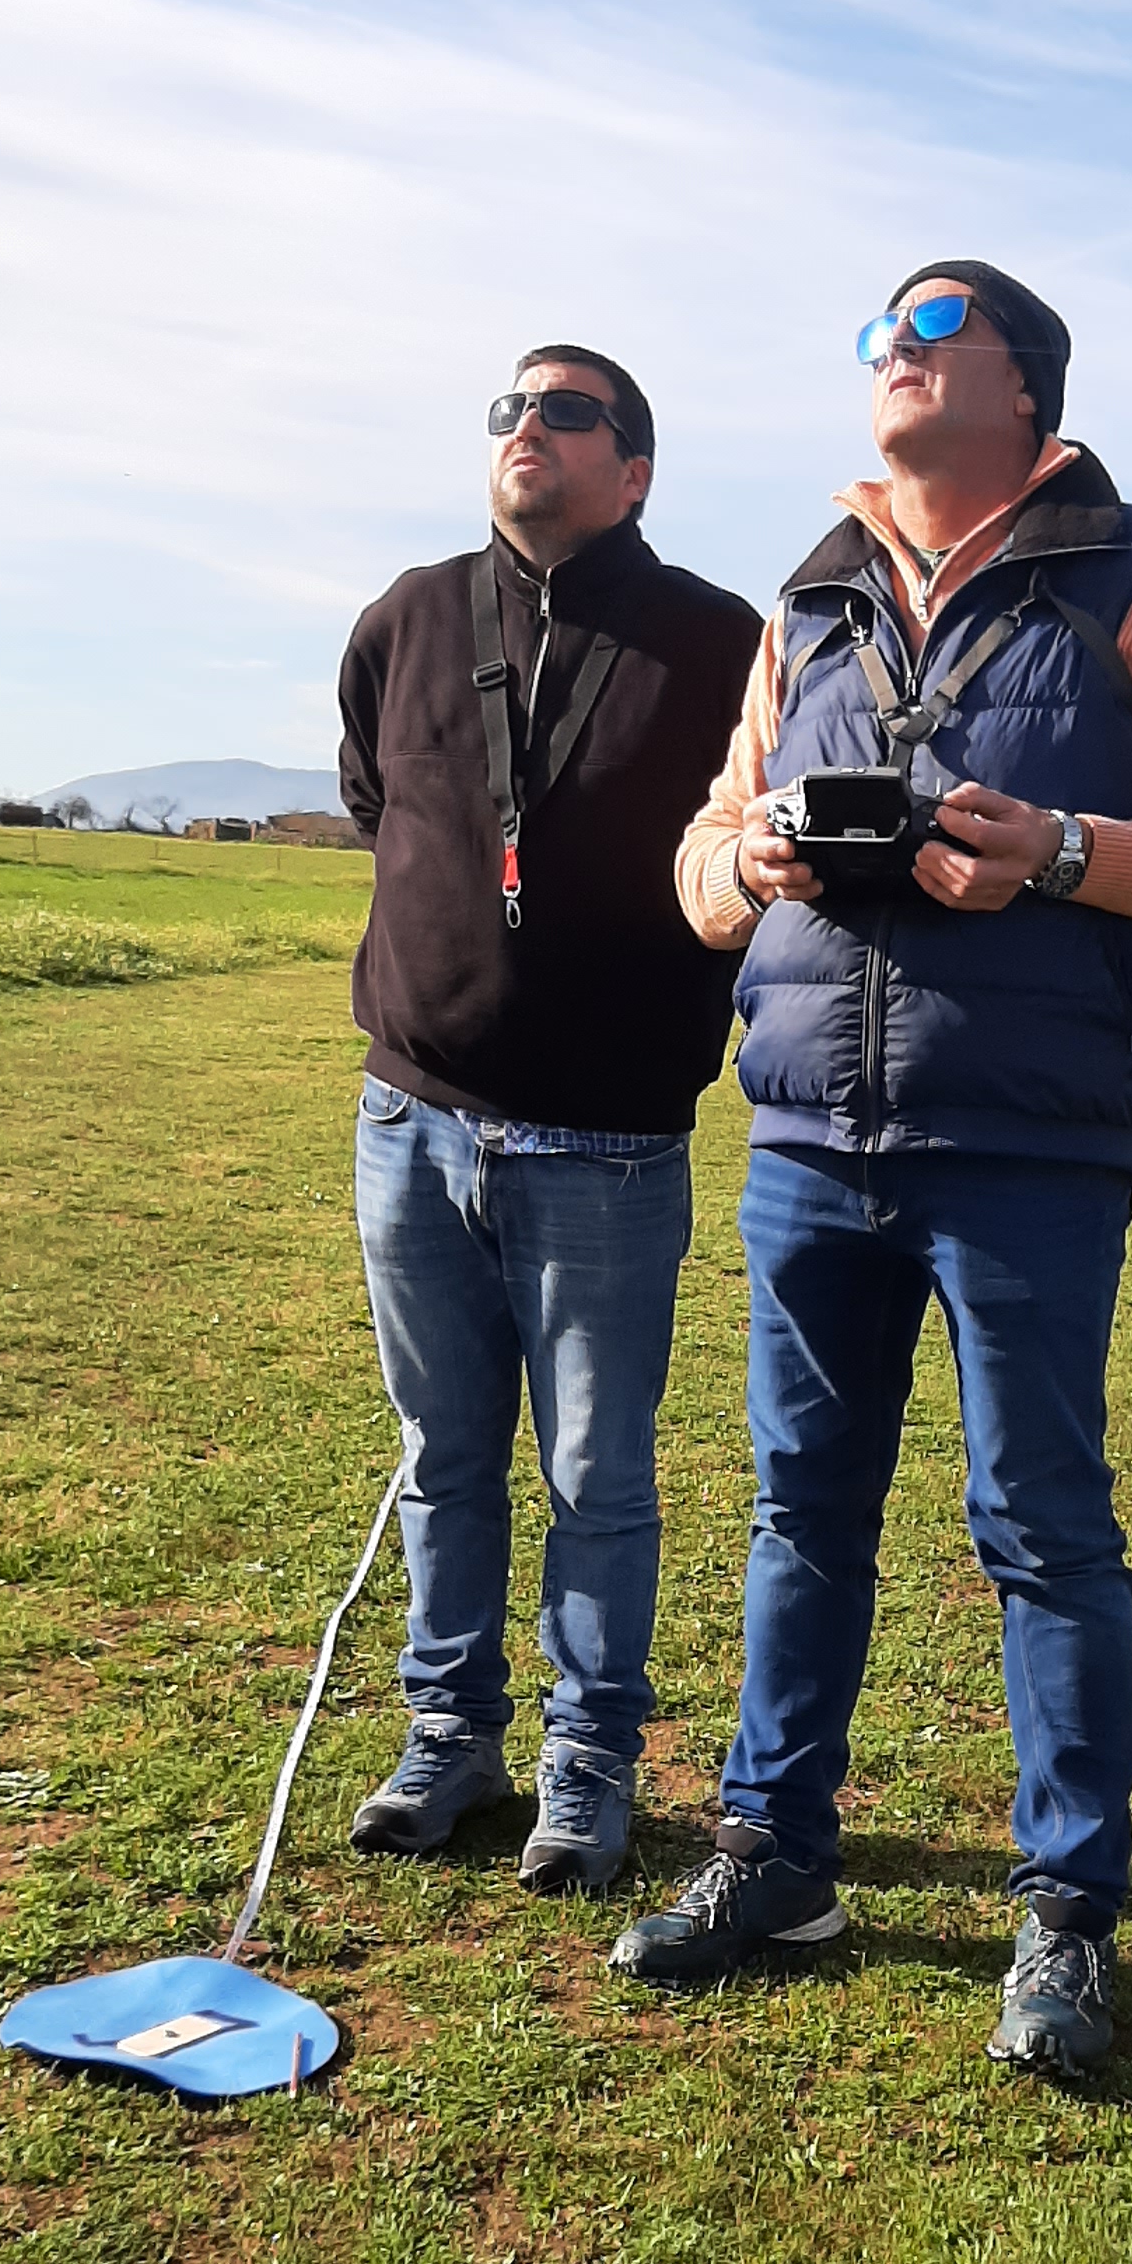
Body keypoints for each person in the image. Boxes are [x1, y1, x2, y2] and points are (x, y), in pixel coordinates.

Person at [611, 261, 1132, 2075]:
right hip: (808, 1133)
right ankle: (776, 1857)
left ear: (1027, 386)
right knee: (799, 1511)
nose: (891, 358)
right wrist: (751, 861)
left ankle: (1067, 1913)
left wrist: (1059, 850)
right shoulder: (814, 594)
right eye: (877, 337)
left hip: (1030, 1141)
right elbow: (699, 860)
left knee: (1042, 1526)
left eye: (929, 331)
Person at [337, 347, 760, 1892]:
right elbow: (380, 807)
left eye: (567, 411)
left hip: (607, 1144)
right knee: (443, 1455)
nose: (528, 427)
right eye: (511, 407)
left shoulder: (722, 642)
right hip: (413, 1123)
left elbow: (749, 855)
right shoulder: (406, 616)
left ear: (634, 470)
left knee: (599, 1476)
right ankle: (447, 1738)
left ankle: (590, 1764)